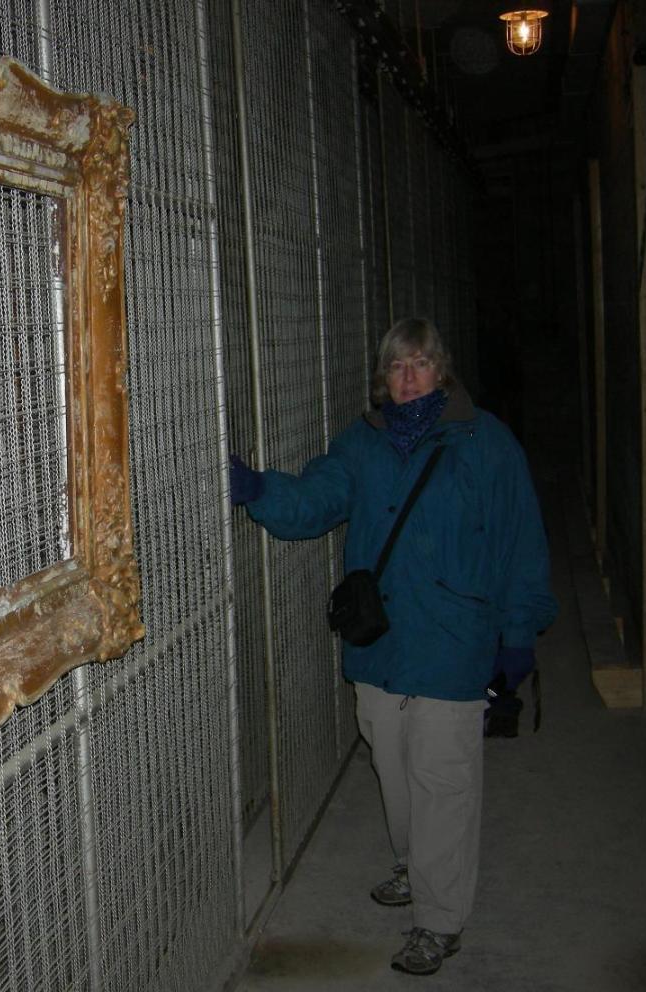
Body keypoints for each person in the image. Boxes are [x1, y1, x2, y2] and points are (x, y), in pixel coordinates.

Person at [229, 317, 556, 977]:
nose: (408, 378)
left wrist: (518, 634)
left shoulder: (486, 443)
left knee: (442, 780)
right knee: (394, 767)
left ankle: (439, 921)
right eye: (397, 366)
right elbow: (318, 499)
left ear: (442, 369)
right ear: (383, 378)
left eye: (421, 363)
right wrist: (262, 490)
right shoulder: (363, 443)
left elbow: (520, 540)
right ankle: (415, 864)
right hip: (380, 644)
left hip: (455, 640)